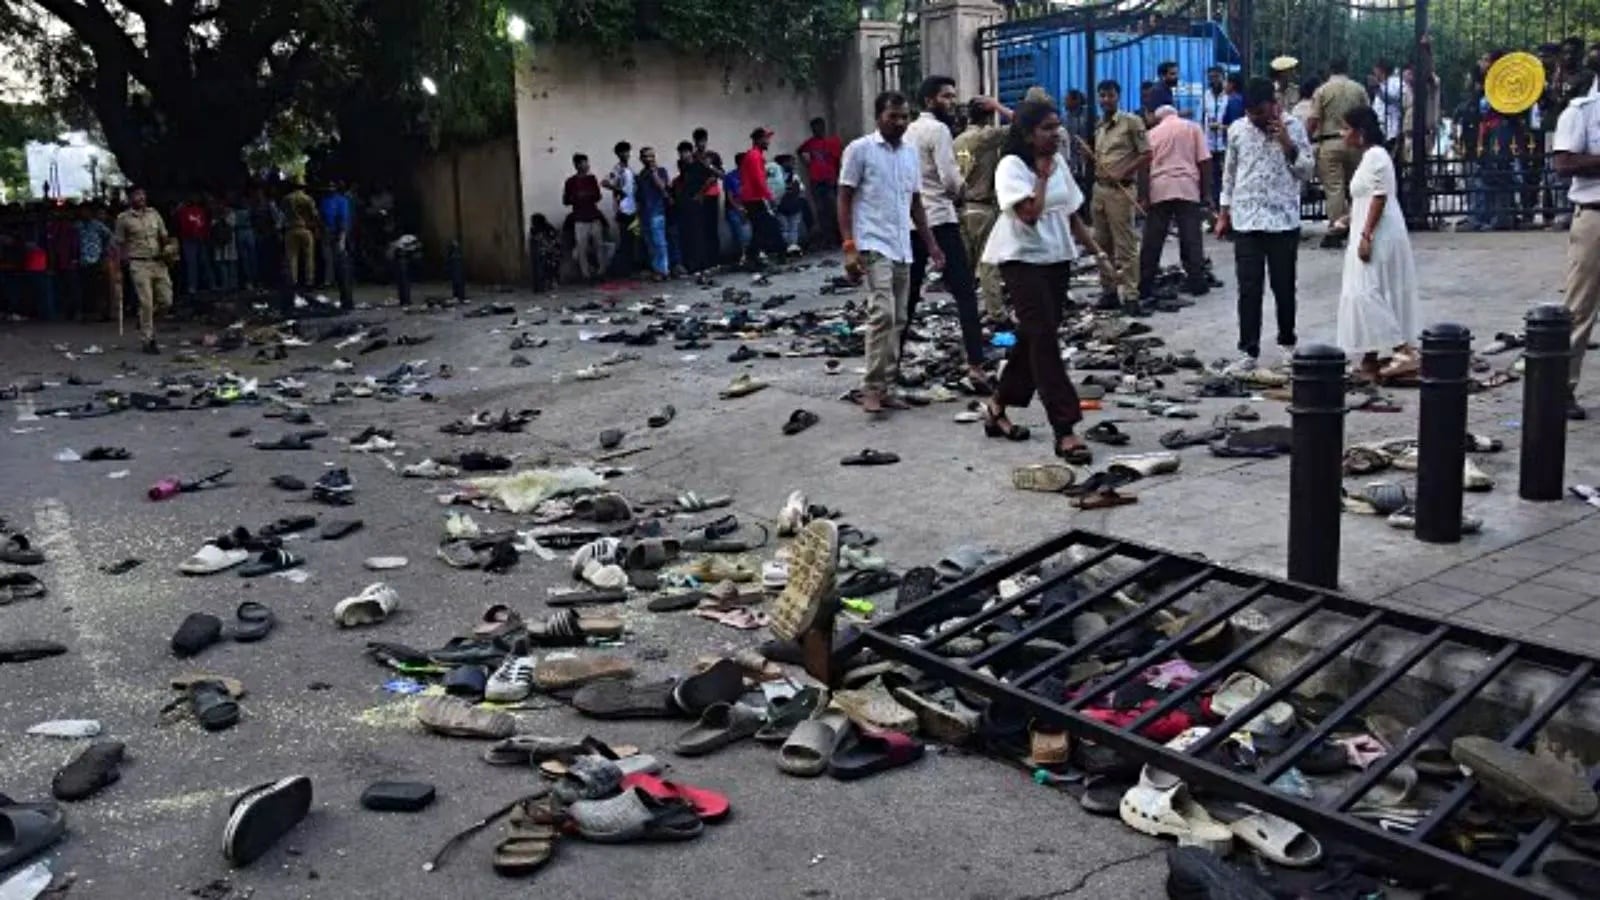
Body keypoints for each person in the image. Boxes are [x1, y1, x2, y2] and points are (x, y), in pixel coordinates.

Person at [980, 98, 1114, 465]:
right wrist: (1040, 176)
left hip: (1056, 257)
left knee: (1033, 336)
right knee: (1044, 339)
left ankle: (997, 404)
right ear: (1027, 134)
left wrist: (1098, 254)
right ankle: (1065, 427)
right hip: (1021, 258)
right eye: (1047, 129)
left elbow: (1070, 213)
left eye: (1057, 127)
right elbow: (1029, 214)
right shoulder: (1011, 166)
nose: (1056, 134)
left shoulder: (1059, 165)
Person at [838, 90, 942, 415]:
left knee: (899, 319)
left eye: (904, 116)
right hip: (872, 242)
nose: (899, 122)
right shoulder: (860, 150)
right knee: (882, 313)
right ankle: (870, 387)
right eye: (892, 116)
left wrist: (931, 244)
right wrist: (849, 247)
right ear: (878, 117)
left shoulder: (910, 153)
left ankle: (886, 387)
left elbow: (915, 203)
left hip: (902, 245)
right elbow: (844, 197)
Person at [1216, 77, 1314, 375]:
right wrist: (1224, 212)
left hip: (1282, 220)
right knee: (1249, 288)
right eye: (1250, 113)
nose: (1255, 119)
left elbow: (1307, 171)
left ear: (1274, 105)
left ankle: (1287, 344)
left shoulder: (1294, 127)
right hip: (1247, 220)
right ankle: (1248, 350)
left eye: (1260, 112)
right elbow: (1230, 173)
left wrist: (1286, 143)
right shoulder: (1237, 130)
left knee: (1283, 286)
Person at [905, 75, 989, 386]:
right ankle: (976, 364)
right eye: (946, 97)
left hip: (912, 221)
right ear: (930, 100)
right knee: (965, 293)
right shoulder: (938, 130)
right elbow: (950, 178)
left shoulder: (907, 130)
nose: (952, 102)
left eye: (953, 96)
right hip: (939, 218)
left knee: (909, 296)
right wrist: (963, 191)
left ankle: (890, 366)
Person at [1336, 106, 1419, 383]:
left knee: (1365, 291)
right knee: (1372, 288)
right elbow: (1366, 196)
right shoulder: (1368, 157)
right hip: (1365, 226)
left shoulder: (1376, 156)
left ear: (1359, 132)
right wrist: (1350, 219)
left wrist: (1366, 235)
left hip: (1378, 232)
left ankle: (1402, 348)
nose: (1342, 134)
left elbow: (1379, 197)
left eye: (1346, 128)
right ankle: (1369, 356)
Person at [1554, 40, 1600, 420]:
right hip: (1594, 215)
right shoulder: (1581, 112)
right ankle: (1561, 388)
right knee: (1580, 306)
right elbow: (1564, 163)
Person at [1089, 79, 1151, 312]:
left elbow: (1146, 154)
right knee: (1101, 245)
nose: (1106, 100)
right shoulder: (1099, 126)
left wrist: (1123, 171)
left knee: (1125, 245)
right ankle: (1109, 292)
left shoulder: (1131, 122)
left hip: (1120, 191)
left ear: (1118, 96)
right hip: (1099, 190)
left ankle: (1131, 296)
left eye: (1110, 95)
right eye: (1102, 96)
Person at [1139, 105, 1211, 301]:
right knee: (1191, 237)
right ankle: (1197, 280)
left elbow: (1144, 168)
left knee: (1153, 239)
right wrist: (1206, 193)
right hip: (1187, 187)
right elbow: (1204, 161)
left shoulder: (1151, 134)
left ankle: (1145, 283)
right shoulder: (1193, 128)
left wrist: (1144, 197)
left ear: (1157, 116)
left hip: (1160, 188)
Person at [954, 96, 1012, 318]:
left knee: (965, 269)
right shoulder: (986, 137)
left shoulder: (958, 141)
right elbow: (1022, 122)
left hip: (964, 208)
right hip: (984, 208)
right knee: (988, 265)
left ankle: (967, 314)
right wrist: (997, 105)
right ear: (988, 117)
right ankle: (996, 313)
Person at [1307, 58, 1370, 248]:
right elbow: (1368, 115)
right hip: (1355, 142)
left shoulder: (1322, 91)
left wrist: (1307, 138)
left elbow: (1313, 119)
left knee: (1334, 188)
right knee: (1356, 188)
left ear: (1330, 70)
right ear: (1347, 69)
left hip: (1330, 141)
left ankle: (1336, 229)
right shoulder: (1358, 89)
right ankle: (1358, 224)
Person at [114, 186, 173, 354]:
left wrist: (169, 248)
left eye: (143, 194)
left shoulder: (154, 214)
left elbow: (164, 236)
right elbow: (119, 244)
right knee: (146, 302)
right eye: (137, 195)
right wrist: (119, 268)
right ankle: (148, 340)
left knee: (166, 300)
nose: (141, 197)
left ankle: (144, 320)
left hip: (158, 262)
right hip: (138, 264)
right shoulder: (123, 219)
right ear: (130, 198)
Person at [738, 127, 784, 266]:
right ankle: (777, 254)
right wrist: (769, 197)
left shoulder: (754, 155)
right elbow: (758, 180)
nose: (768, 142)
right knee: (769, 226)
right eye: (766, 138)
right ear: (758, 140)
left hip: (752, 197)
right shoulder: (755, 156)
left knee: (760, 229)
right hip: (755, 198)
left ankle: (752, 257)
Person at [1202, 67, 1245, 207]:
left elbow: (1236, 122)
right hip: (1209, 142)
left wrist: (1220, 127)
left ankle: (1226, 204)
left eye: (1216, 77)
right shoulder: (1206, 95)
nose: (1213, 80)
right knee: (1212, 176)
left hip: (1225, 142)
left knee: (1227, 174)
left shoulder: (1230, 98)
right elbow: (1202, 117)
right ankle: (1215, 203)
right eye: (1210, 77)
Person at [798, 118, 843, 246]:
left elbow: (838, 161)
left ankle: (839, 237)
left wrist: (837, 177)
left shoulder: (833, 142)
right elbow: (800, 151)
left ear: (823, 127)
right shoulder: (810, 143)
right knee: (821, 211)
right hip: (816, 181)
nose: (816, 131)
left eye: (818, 128)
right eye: (813, 129)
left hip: (830, 180)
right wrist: (808, 163)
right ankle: (828, 238)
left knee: (834, 209)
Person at [563, 153, 605, 281]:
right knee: (581, 248)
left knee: (599, 246)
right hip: (579, 219)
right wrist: (577, 197)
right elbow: (565, 200)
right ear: (576, 165)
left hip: (593, 216)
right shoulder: (570, 182)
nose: (587, 165)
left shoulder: (592, 179)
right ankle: (586, 275)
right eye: (583, 163)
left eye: (587, 163)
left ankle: (601, 272)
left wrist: (584, 195)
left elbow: (598, 196)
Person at [635, 146, 672, 281]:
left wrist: (654, 173)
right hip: (645, 213)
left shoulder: (661, 171)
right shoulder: (641, 175)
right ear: (641, 159)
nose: (649, 159)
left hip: (657, 212)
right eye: (646, 156)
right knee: (650, 243)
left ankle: (664, 270)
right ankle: (657, 270)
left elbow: (662, 187)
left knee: (659, 242)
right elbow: (639, 195)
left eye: (651, 156)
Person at [601, 141, 637, 275]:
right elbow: (604, 182)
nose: (625, 154)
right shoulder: (617, 169)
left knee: (632, 238)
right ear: (618, 154)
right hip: (623, 209)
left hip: (633, 208)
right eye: (622, 152)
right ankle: (622, 269)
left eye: (627, 151)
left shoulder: (630, 169)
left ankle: (629, 267)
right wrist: (618, 190)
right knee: (626, 239)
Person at [76, 203, 113, 321]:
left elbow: (109, 236)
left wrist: (104, 252)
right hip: (83, 260)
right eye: (82, 211)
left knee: (99, 288)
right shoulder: (78, 226)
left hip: (96, 259)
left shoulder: (97, 225)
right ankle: (87, 313)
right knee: (85, 288)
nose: (84, 213)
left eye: (86, 211)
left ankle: (101, 313)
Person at [692, 128, 724, 265]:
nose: (701, 143)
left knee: (712, 228)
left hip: (711, 195)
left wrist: (710, 166)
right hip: (697, 197)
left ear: (706, 140)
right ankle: (703, 260)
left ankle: (714, 259)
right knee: (699, 229)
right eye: (698, 141)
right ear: (695, 141)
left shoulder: (713, 156)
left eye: (703, 140)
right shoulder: (692, 157)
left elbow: (722, 175)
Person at [283, 181, 319, 290]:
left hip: (291, 229)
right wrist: (316, 227)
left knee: (292, 257)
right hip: (305, 228)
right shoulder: (308, 199)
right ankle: (309, 281)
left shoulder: (286, 198)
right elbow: (314, 214)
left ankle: (292, 281)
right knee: (309, 257)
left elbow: (283, 212)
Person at [174, 194, 210, 294]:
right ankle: (193, 286)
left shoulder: (200, 211)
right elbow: (181, 224)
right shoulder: (183, 211)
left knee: (201, 262)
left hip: (198, 239)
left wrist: (204, 235)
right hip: (189, 239)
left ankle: (201, 285)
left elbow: (204, 224)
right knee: (192, 264)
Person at [319, 182, 351, 289]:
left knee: (339, 256)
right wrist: (322, 228)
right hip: (327, 231)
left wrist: (342, 233)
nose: (330, 189)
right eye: (328, 187)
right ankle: (329, 280)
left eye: (332, 187)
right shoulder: (324, 200)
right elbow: (321, 216)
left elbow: (343, 217)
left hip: (338, 231)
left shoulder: (342, 200)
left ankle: (341, 280)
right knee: (328, 258)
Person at [774, 154, 808, 254]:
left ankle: (792, 248)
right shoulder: (776, 177)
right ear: (784, 163)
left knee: (791, 228)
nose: (793, 164)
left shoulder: (793, 175)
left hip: (790, 204)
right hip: (783, 205)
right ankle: (790, 248)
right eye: (790, 162)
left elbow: (800, 190)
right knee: (787, 228)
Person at [1370, 59, 1404, 151]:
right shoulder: (1381, 84)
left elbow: (1391, 98)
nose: (1374, 74)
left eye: (1375, 71)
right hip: (1380, 128)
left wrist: (1378, 89)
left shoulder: (1396, 83)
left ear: (1381, 70)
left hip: (1391, 129)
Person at [723, 153, 752, 261]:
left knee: (747, 234)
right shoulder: (730, 177)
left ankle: (747, 256)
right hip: (734, 209)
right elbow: (729, 196)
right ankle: (743, 256)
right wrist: (739, 208)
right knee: (741, 235)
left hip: (748, 207)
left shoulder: (749, 175)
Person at [210, 193, 237, 293]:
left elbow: (232, 224)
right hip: (218, 241)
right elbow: (212, 225)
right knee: (222, 264)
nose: (221, 205)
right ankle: (225, 285)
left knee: (231, 263)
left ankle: (233, 285)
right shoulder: (215, 214)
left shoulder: (230, 212)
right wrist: (219, 217)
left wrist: (224, 217)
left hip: (229, 241)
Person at [528, 214, 561, 293]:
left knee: (548, 269)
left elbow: (554, 242)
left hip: (550, 253)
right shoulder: (534, 229)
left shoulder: (548, 229)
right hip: (540, 252)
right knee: (539, 268)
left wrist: (549, 248)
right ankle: (540, 286)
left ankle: (547, 285)